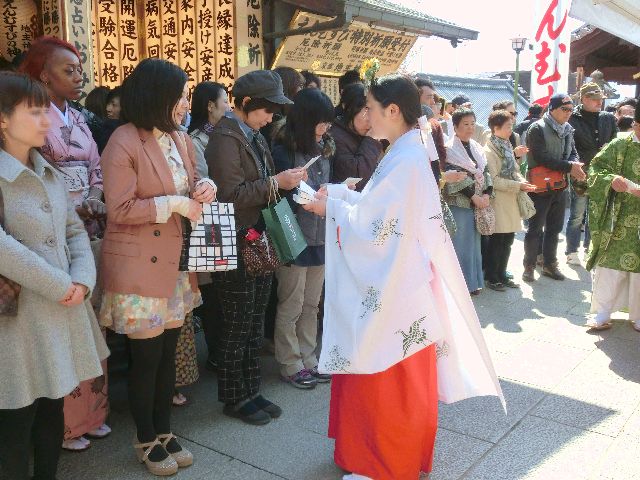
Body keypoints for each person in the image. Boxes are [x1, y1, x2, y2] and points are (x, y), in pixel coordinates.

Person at [301, 74, 503, 480]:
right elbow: (382, 211)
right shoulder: (406, 151)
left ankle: (382, 464)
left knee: (383, 377)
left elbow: (378, 223)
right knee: (394, 379)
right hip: (401, 282)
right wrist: (341, 197)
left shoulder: (407, 157)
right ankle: (385, 458)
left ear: (393, 111)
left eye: (371, 109)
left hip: (395, 289)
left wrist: (334, 209)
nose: (367, 116)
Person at [99, 58, 216, 475]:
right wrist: (174, 204)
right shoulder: (124, 140)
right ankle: (145, 436)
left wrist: (205, 188)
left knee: (168, 354)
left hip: (175, 262)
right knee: (146, 358)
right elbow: (120, 208)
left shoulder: (178, 138)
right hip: (138, 266)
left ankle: (164, 430)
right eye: (181, 96)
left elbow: (195, 179)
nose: (186, 103)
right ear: (157, 96)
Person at [0, 71, 108, 480]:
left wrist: (82, 279)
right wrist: (63, 285)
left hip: (59, 309)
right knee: (15, 421)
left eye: (48, 112)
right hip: (15, 320)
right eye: (36, 112)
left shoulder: (47, 170)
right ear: (3, 119)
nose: (48, 121)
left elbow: (74, 231)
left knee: (52, 409)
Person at [20, 35, 110, 452]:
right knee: (61, 329)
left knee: (89, 324)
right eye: (68, 70)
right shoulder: (32, 125)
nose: (78, 77)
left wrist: (94, 195)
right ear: (42, 75)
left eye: (79, 69)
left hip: (86, 230)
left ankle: (93, 413)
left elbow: (93, 166)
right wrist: (76, 205)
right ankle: (66, 424)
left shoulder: (79, 118)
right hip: (51, 230)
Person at [206, 70, 306, 425]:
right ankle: (235, 397)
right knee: (237, 323)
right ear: (246, 104)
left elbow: (261, 184)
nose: (271, 118)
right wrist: (276, 182)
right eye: (267, 110)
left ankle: (250, 389)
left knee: (252, 323)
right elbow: (230, 197)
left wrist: (283, 181)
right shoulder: (224, 138)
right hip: (234, 240)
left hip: (255, 237)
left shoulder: (249, 134)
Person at [271, 88, 334, 389]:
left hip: (320, 234)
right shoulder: (284, 148)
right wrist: (295, 186)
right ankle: (289, 362)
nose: (325, 129)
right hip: (293, 235)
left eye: (327, 123)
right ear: (306, 120)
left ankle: (309, 358)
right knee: (291, 303)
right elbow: (273, 195)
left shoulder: (323, 147)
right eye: (320, 123)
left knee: (312, 304)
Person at [187, 80, 229, 372]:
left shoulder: (226, 134)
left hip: (223, 218)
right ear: (210, 106)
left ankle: (222, 348)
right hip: (210, 221)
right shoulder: (196, 139)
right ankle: (216, 351)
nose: (228, 106)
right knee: (212, 291)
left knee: (222, 288)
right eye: (224, 100)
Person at [585, 108, 640, 330]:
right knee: (610, 264)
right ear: (636, 124)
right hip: (619, 215)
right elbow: (595, 169)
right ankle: (603, 312)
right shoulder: (619, 144)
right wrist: (612, 179)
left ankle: (638, 314)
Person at [523, 93, 586, 282]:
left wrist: (575, 164)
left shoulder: (568, 129)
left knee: (555, 228)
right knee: (535, 229)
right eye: (564, 109)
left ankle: (550, 264)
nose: (568, 113)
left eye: (571, 110)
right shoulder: (537, 127)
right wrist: (569, 167)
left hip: (561, 185)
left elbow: (573, 152)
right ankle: (529, 265)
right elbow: (541, 157)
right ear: (552, 108)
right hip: (540, 187)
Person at [483, 110, 537, 290]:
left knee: (508, 240)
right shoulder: (489, 150)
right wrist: (518, 185)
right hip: (498, 201)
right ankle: (492, 276)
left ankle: (502, 274)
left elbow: (515, 171)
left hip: (510, 199)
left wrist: (523, 182)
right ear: (495, 128)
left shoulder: (505, 145)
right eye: (507, 127)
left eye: (511, 126)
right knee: (498, 241)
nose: (510, 130)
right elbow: (493, 179)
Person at [565, 83, 617, 266]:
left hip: (602, 173)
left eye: (601, 99)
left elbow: (614, 141)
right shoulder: (572, 118)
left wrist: (608, 149)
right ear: (584, 98)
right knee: (577, 213)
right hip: (580, 171)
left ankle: (590, 249)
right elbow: (569, 146)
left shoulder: (608, 118)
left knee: (595, 214)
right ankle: (571, 250)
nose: (599, 103)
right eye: (595, 99)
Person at [443, 108, 493, 295]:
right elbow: (457, 178)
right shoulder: (449, 149)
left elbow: (486, 172)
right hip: (459, 203)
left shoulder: (477, 148)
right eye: (465, 124)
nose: (470, 127)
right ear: (455, 127)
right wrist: (474, 197)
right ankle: (459, 285)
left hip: (478, 203)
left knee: (474, 243)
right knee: (460, 243)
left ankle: (472, 282)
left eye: (472, 123)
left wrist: (487, 194)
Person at [330, 83, 384, 190]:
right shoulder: (334, 135)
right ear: (349, 108)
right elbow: (355, 178)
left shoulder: (360, 132)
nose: (371, 120)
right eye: (366, 110)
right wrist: (372, 141)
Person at [188, 82, 229, 181]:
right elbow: (202, 181)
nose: (229, 108)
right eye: (226, 102)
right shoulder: (194, 143)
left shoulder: (225, 134)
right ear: (210, 106)